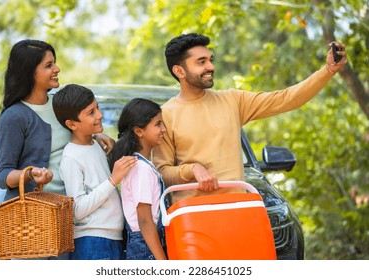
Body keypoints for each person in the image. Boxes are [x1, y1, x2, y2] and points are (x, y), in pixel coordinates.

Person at [152, 33, 347, 203]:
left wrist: (327, 71)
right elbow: (162, 173)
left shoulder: (232, 100)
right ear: (179, 71)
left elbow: (286, 99)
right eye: (201, 62)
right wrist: (191, 169)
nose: (211, 66)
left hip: (239, 209)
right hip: (192, 217)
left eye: (211, 59)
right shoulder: (165, 115)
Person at [0, 39, 113, 202]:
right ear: (29, 72)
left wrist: (93, 136)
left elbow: (72, 134)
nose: (57, 69)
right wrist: (31, 173)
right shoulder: (14, 116)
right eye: (48, 65)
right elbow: (2, 175)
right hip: (40, 214)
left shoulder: (59, 104)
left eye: (54, 63)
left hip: (75, 208)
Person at [52, 84, 137, 260]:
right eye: (91, 112)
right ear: (71, 124)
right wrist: (113, 180)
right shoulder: (71, 157)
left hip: (113, 238)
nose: (99, 115)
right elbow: (77, 210)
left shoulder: (95, 144)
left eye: (96, 107)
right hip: (93, 242)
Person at [108, 98, 168, 260]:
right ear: (139, 131)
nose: (164, 129)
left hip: (145, 244)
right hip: (146, 248)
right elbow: (145, 221)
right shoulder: (141, 169)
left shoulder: (141, 165)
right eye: (158, 124)